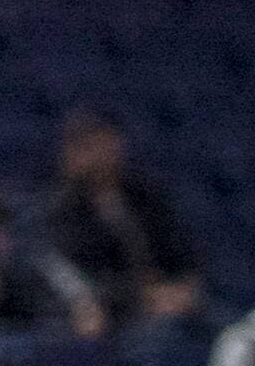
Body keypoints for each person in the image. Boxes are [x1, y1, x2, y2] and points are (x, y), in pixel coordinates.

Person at [49, 107, 204, 338]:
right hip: (119, 311)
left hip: (171, 300)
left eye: (108, 143)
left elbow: (180, 248)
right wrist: (146, 295)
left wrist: (183, 286)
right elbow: (80, 275)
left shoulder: (145, 196)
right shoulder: (62, 210)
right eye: (92, 147)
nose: (103, 155)